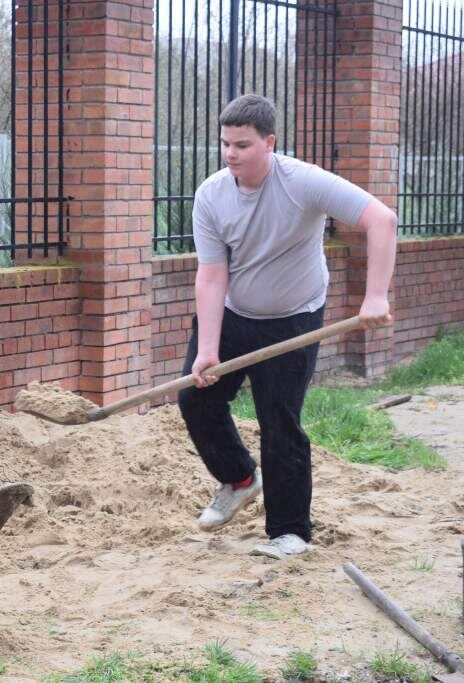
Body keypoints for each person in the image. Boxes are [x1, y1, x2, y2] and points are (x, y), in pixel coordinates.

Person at [178, 94, 396, 560]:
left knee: (279, 421)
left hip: (294, 320)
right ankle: (239, 479)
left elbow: (381, 219)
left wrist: (375, 295)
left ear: (269, 143)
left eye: (242, 144)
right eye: (225, 143)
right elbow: (213, 274)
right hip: (236, 314)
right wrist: (209, 348)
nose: (230, 154)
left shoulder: (304, 182)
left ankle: (289, 531)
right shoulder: (212, 195)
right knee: (197, 397)